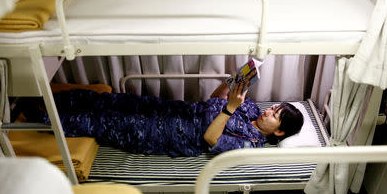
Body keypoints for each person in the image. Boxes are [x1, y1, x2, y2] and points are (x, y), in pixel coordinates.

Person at [24, 81, 303, 157]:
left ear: (278, 133)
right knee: (114, 101)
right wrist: (233, 82)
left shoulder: (250, 145)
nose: (269, 111)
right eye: (274, 107)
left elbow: (210, 139)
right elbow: (215, 100)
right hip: (175, 110)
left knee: (104, 121)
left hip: (169, 134)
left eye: (275, 115)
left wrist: (229, 109)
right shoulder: (253, 110)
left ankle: (39, 117)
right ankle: (49, 98)